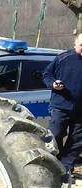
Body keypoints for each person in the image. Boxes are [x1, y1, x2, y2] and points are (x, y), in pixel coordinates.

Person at [43, 34, 82, 172]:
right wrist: (53, 84)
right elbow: (47, 75)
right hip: (61, 105)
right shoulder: (63, 58)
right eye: (81, 45)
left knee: (77, 140)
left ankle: (66, 166)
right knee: (56, 134)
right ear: (75, 45)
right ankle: (54, 162)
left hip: (80, 110)